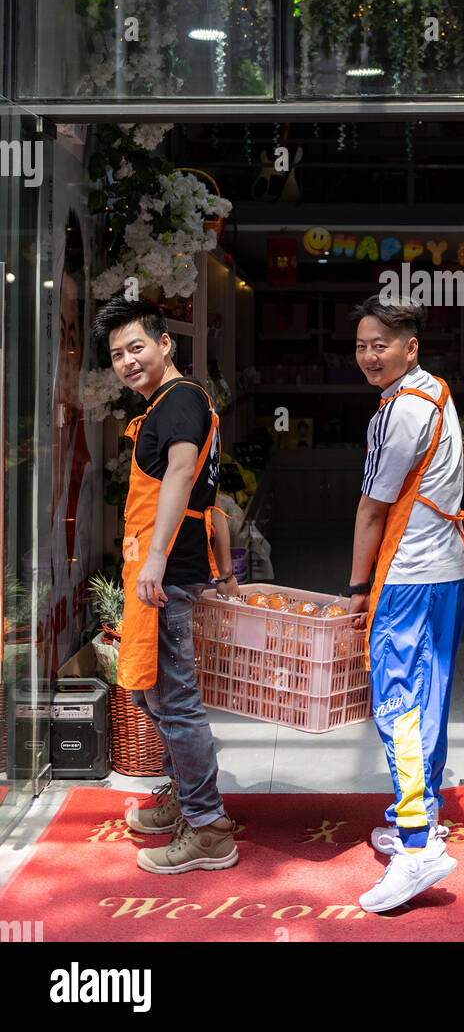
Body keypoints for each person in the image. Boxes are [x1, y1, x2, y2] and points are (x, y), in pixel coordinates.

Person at [91, 295, 239, 874]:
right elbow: (214, 501)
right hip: (157, 571)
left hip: (164, 573)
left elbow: (183, 476)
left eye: (137, 347)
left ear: (164, 344)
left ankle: (208, 829)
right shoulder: (176, 402)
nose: (128, 361)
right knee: (151, 695)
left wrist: (155, 561)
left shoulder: (179, 401)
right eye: (117, 354)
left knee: (174, 703)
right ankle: (185, 799)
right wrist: (224, 571)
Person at [347, 297, 464, 915]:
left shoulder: (399, 413)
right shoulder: (437, 393)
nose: (370, 356)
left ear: (409, 347)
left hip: (408, 576)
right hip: (447, 570)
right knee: (431, 697)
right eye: (363, 345)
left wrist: (354, 588)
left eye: (381, 344)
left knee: (397, 700)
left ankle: (419, 847)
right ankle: (420, 819)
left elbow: (373, 507)